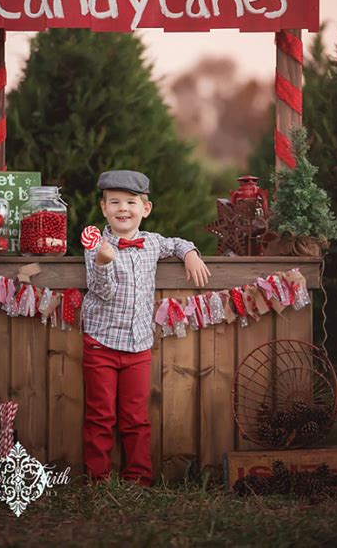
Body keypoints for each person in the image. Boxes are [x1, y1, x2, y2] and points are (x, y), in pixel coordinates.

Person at [81, 169, 211, 486]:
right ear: (103, 209)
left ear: (145, 209)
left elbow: (176, 243)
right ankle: (97, 478)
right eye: (114, 202)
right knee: (100, 416)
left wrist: (190, 253)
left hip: (139, 346)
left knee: (136, 417)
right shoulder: (96, 245)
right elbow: (103, 292)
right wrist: (103, 262)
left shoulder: (152, 243)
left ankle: (138, 476)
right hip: (101, 344)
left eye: (131, 202)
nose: (123, 208)